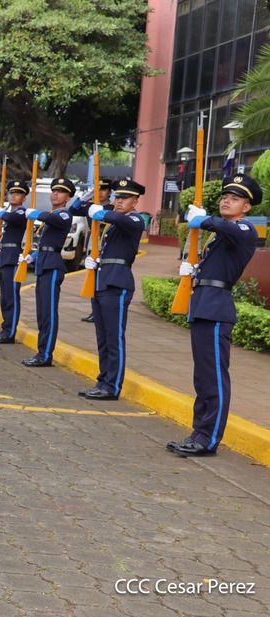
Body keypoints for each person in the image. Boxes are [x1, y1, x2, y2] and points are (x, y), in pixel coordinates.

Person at [166, 174, 262, 457]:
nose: (226, 200)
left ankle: (208, 439)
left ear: (246, 207)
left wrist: (203, 218)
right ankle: (199, 432)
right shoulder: (219, 236)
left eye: (234, 198)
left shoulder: (245, 230)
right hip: (204, 304)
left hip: (217, 307)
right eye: (224, 196)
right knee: (203, 377)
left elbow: (227, 229)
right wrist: (193, 272)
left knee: (215, 377)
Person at [76, 179, 146, 400]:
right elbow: (76, 209)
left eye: (124, 198)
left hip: (118, 281)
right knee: (103, 337)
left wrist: (100, 213)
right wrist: (88, 197)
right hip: (101, 279)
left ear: (135, 201)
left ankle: (112, 386)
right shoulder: (113, 221)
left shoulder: (135, 220)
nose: (119, 201)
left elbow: (111, 217)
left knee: (114, 337)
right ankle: (103, 380)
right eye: (117, 197)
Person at [20, 177, 76, 367]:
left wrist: (34, 212)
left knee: (48, 314)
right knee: (41, 313)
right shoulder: (54, 214)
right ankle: (41, 351)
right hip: (43, 264)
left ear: (67, 197)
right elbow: (46, 243)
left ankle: (45, 355)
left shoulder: (64, 215)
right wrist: (33, 257)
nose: (55, 194)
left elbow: (50, 219)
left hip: (52, 267)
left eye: (60, 192)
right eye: (54, 191)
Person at [0, 180, 29, 344]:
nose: (13, 195)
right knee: (5, 296)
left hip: (14, 257)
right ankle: (5, 328)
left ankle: (9, 331)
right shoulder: (9, 212)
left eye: (17, 193)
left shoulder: (21, 213)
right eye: (11, 193)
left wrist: (2, 213)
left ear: (23, 198)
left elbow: (11, 218)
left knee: (11, 297)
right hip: (5, 256)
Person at [70, 178, 113, 323]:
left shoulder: (112, 208)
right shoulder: (90, 205)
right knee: (92, 279)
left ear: (109, 192)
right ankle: (94, 311)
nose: (100, 193)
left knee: (102, 280)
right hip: (91, 244)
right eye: (97, 190)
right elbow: (73, 210)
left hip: (105, 245)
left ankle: (102, 311)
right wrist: (84, 197)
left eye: (103, 190)